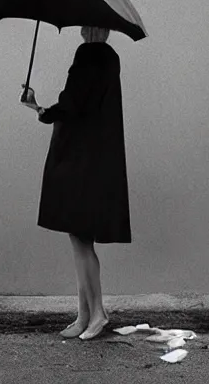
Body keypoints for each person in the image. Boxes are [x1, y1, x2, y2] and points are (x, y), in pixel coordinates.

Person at [19, 26, 132, 340]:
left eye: (85, 25)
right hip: (95, 156)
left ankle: (97, 313)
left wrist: (39, 109)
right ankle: (84, 315)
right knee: (80, 237)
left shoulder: (88, 55)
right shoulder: (111, 58)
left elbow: (72, 104)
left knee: (80, 239)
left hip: (77, 156)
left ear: (91, 29)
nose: (81, 29)